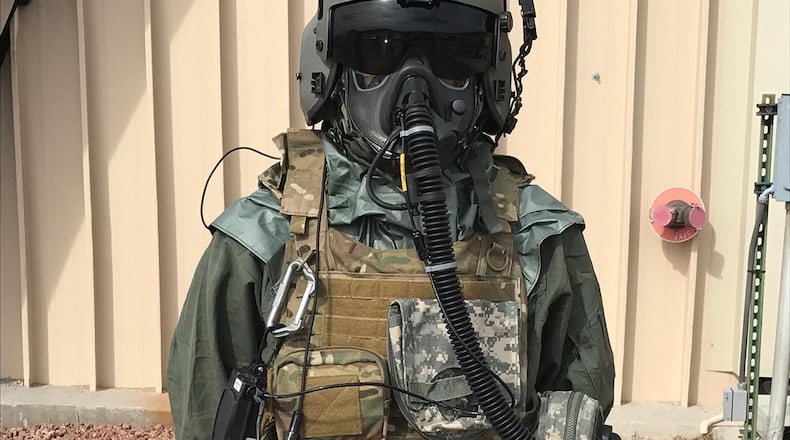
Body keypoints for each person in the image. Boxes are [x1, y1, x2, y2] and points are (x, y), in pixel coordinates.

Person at [166, 1, 615, 439]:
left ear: (489, 74)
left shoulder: (538, 238)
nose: (413, 86)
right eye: (377, 51)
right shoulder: (263, 236)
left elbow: (578, 410)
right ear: (330, 67)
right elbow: (205, 413)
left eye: (451, 54)